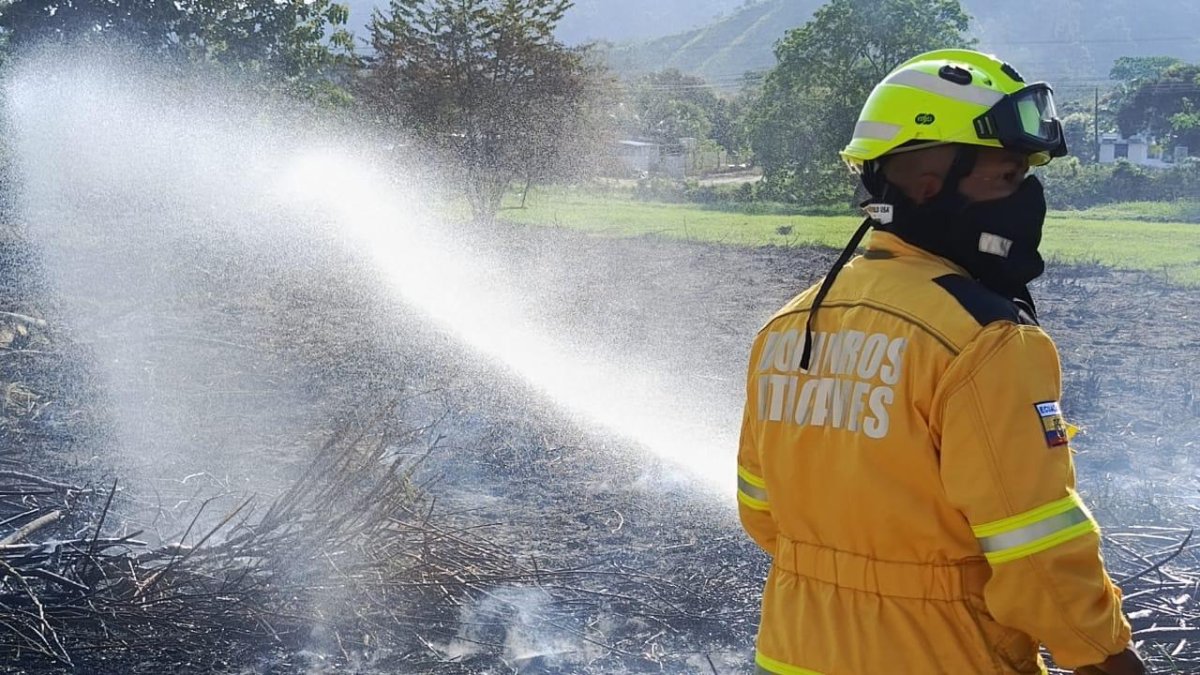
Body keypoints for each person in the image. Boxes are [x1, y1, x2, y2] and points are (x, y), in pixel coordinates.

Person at [736, 49, 1146, 675]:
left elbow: (762, 511)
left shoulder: (788, 326)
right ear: (929, 187)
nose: (1025, 200)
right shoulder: (987, 341)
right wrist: (1106, 657)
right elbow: (1038, 551)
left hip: (792, 652)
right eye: (1006, 178)